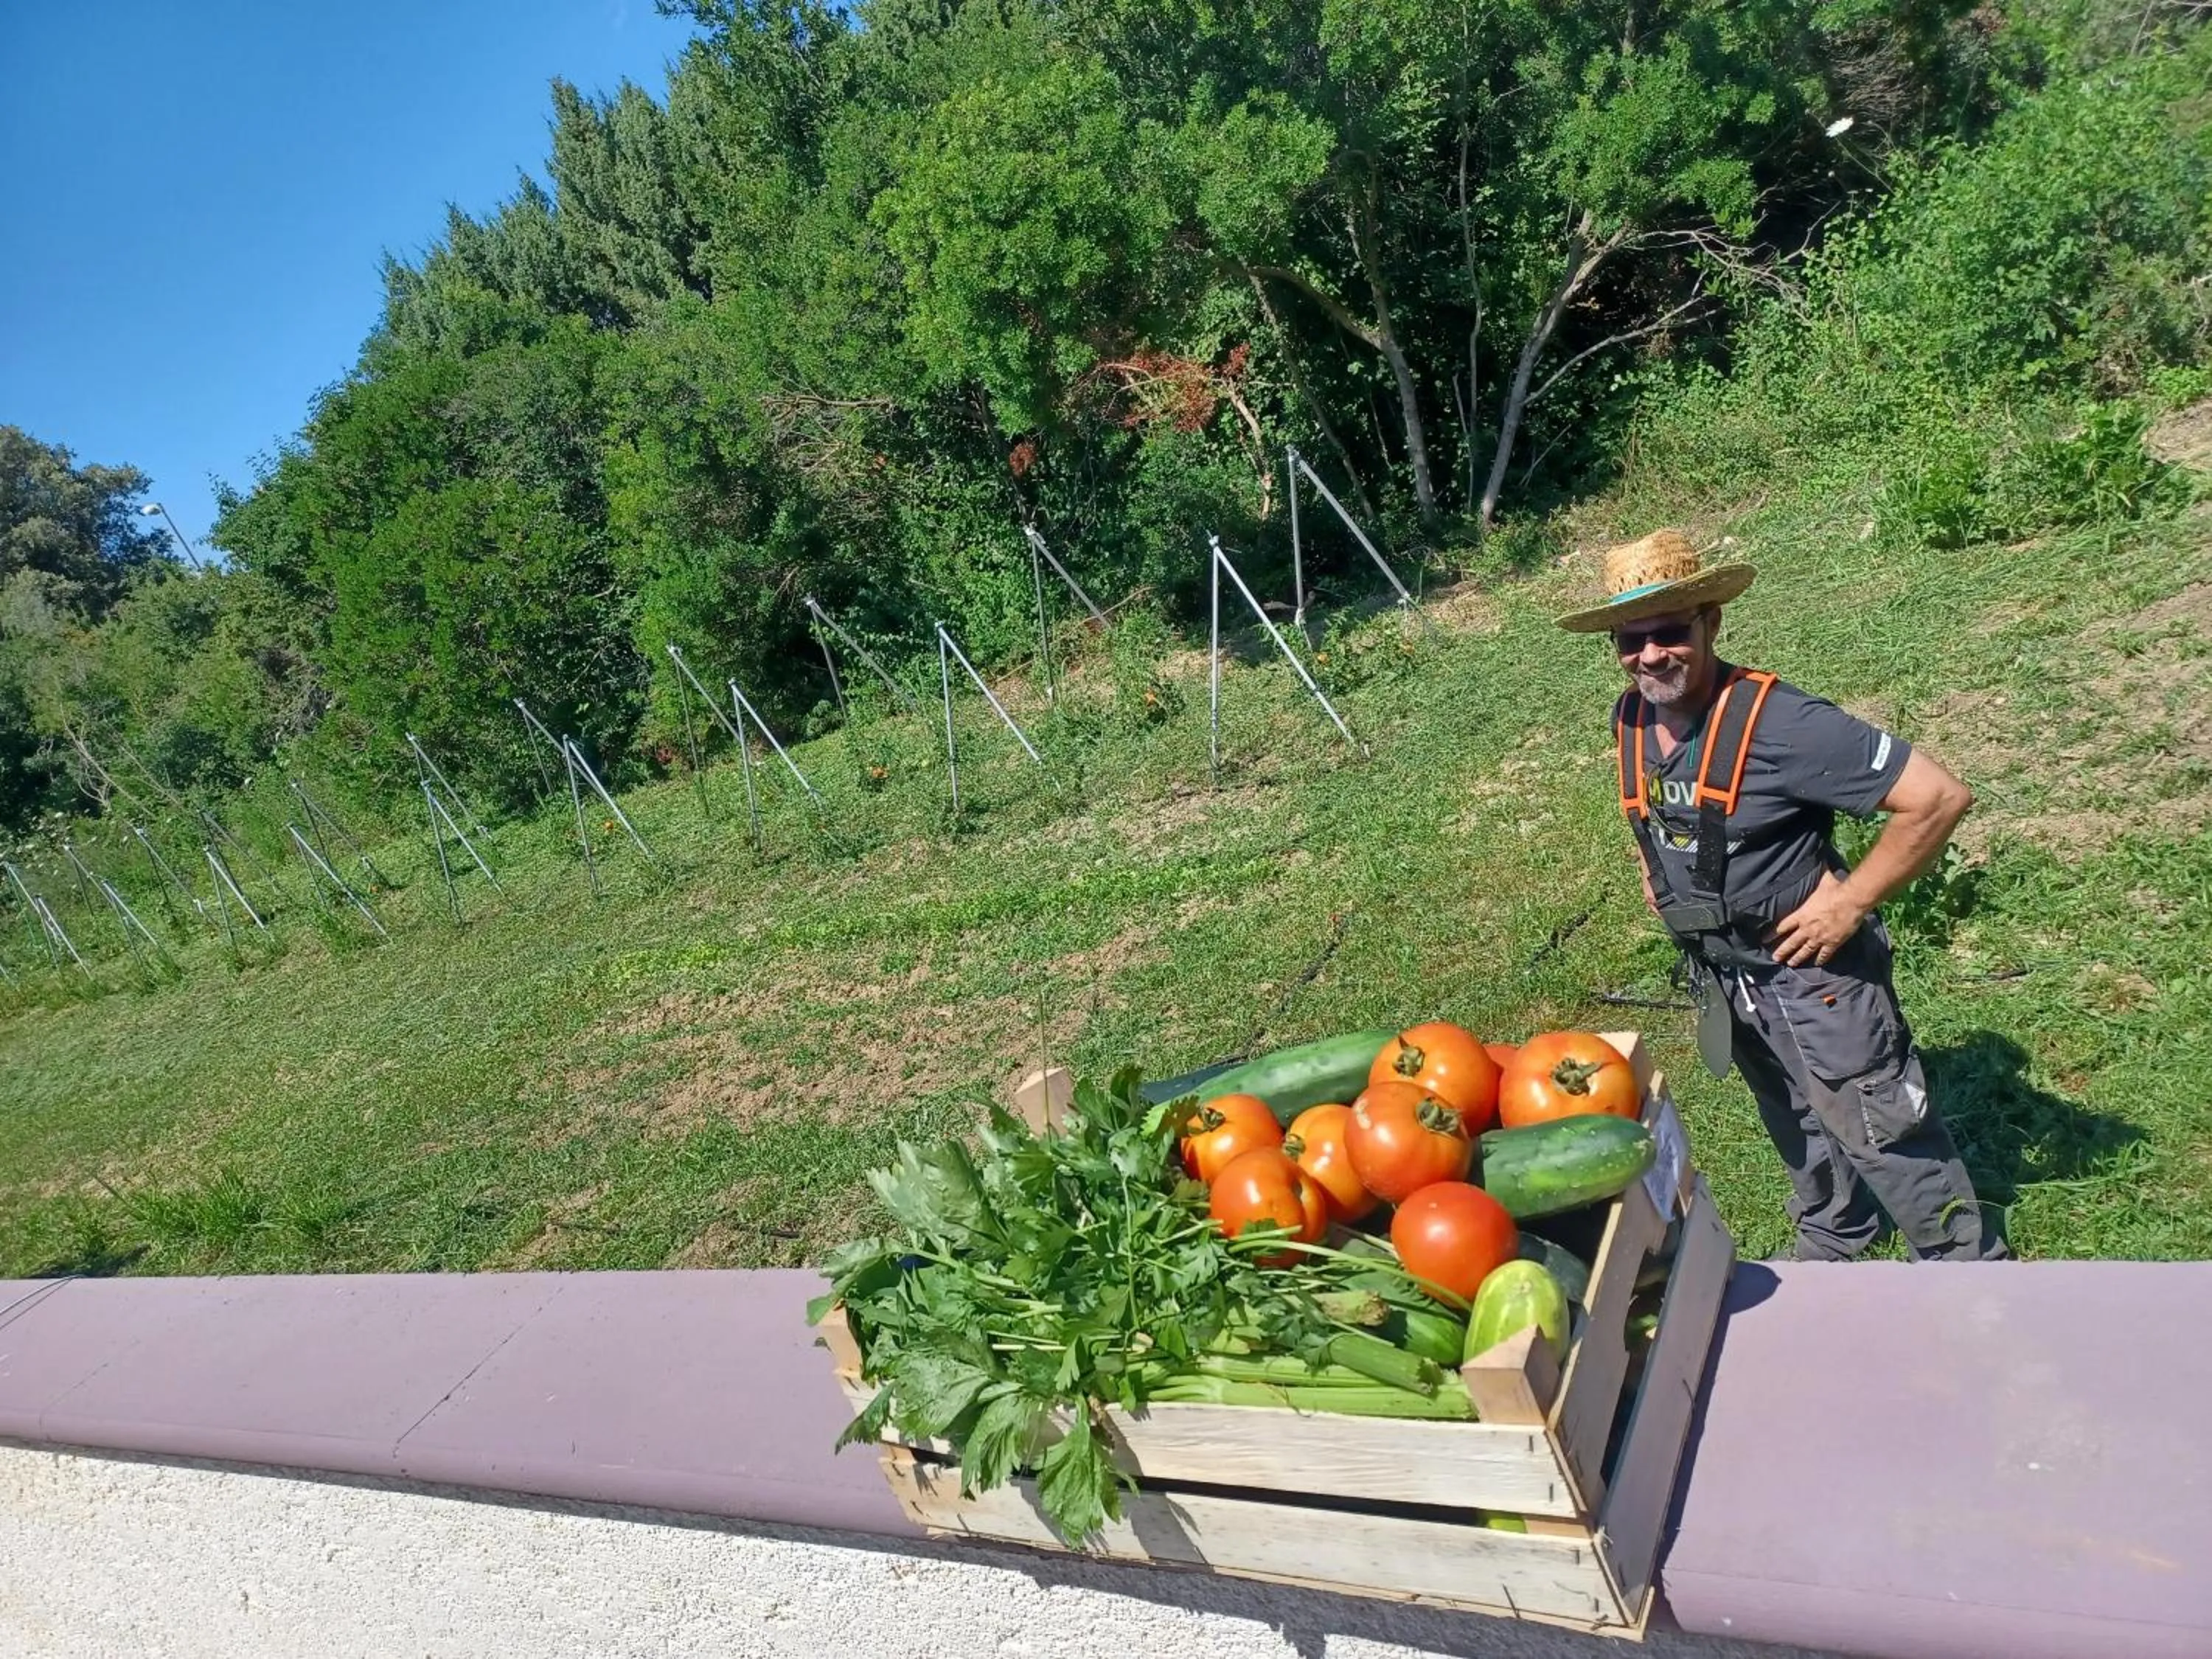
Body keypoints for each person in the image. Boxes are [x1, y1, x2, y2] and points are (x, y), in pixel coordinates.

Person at [1557, 529, 2006, 1262]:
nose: (1651, 656)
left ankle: (1967, 1266)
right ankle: (1836, 1233)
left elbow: (1937, 797)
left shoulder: (1783, 724)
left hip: (1811, 972)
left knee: (1879, 1122)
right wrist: (1654, 866)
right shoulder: (1633, 715)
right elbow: (1654, 803)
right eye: (1631, 641)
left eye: (1670, 633)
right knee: (1793, 1113)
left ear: (1711, 622)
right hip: (1726, 971)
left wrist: (1850, 903)